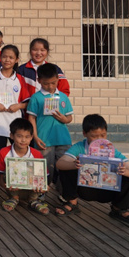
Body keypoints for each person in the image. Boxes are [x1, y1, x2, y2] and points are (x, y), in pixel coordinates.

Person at [55, 114, 129, 224]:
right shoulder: (80, 147)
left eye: (103, 135)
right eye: (94, 136)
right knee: (67, 167)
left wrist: (125, 171)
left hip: (108, 190)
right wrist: (74, 165)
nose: (99, 139)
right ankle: (72, 203)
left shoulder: (112, 151)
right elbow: (59, 163)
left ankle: (119, 209)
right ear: (84, 134)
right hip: (85, 188)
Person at [26, 63, 73, 192]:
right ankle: (40, 194)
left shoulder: (63, 97)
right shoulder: (36, 97)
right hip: (44, 139)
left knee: (65, 167)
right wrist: (35, 136)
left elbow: (69, 117)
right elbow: (31, 118)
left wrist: (64, 119)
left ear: (58, 79)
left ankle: (64, 193)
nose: (50, 86)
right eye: (46, 84)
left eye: (53, 83)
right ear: (39, 80)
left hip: (63, 139)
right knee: (43, 168)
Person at [0, 118, 49, 215]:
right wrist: (6, 186)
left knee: (39, 175)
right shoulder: (4, 152)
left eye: (27, 137)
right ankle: (14, 198)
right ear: (11, 136)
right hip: (13, 190)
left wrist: (44, 187)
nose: (23, 140)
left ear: (31, 137)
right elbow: (0, 177)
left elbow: (44, 178)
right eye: (19, 136)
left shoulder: (37, 154)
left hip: (32, 190)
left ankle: (33, 200)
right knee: (8, 171)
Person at [0, 45, 30, 158]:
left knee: (18, 154)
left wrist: (19, 106)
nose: (7, 60)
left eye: (11, 57)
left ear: (16, 60)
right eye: (4, 57)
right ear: (0, 58)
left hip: (16, 123)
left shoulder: (20, 79)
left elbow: (27, 103)